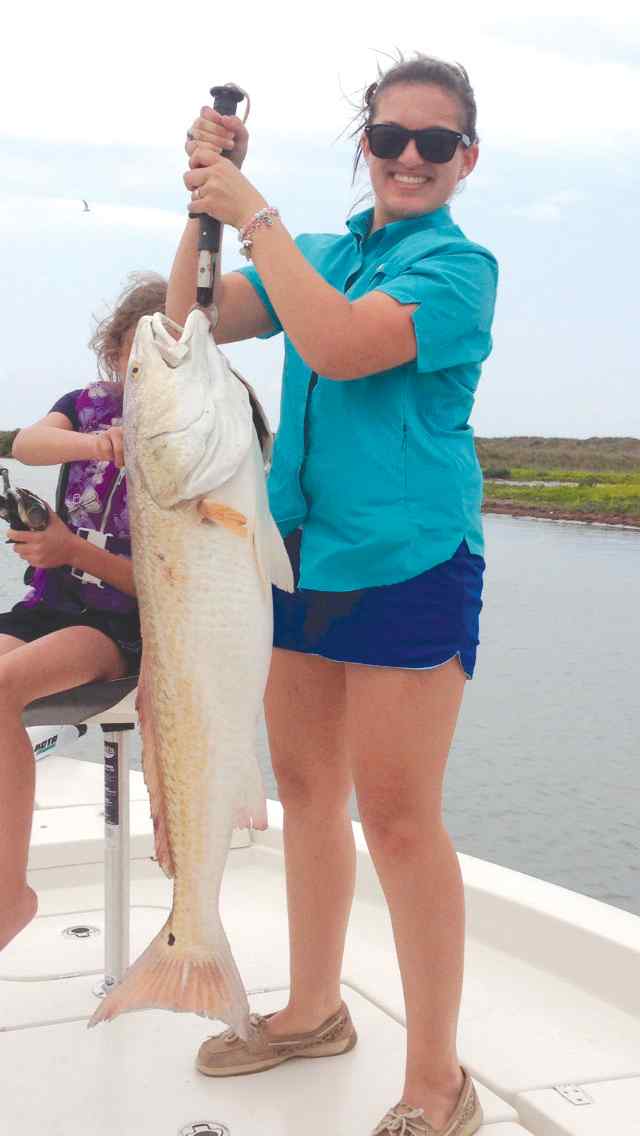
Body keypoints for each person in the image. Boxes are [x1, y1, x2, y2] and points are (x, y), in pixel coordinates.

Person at [168, 53, 497, 1136]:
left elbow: (346, 347)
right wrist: (204, 203)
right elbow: (192, 323)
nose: (409, 157)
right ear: (366, 142)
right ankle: (314, 1011)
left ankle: (438, 1079)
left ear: (463, 159)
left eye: (433, 143)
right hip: (296, 553)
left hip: (407, 558)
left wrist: (252, 210)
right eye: (391, 136)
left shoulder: (458, 270)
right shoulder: (312, 253)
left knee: (400, 817)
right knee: (309, 788)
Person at [0, 273, 166, 954]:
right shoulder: (84, 408)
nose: (140, 373)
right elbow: (23, 445)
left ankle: (11, 895)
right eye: (131, 358)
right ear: (112, 353)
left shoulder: (193, 437)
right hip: (50, 605)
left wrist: (70, 549)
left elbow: (165, 587)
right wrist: (97, 445)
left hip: (119, 627)